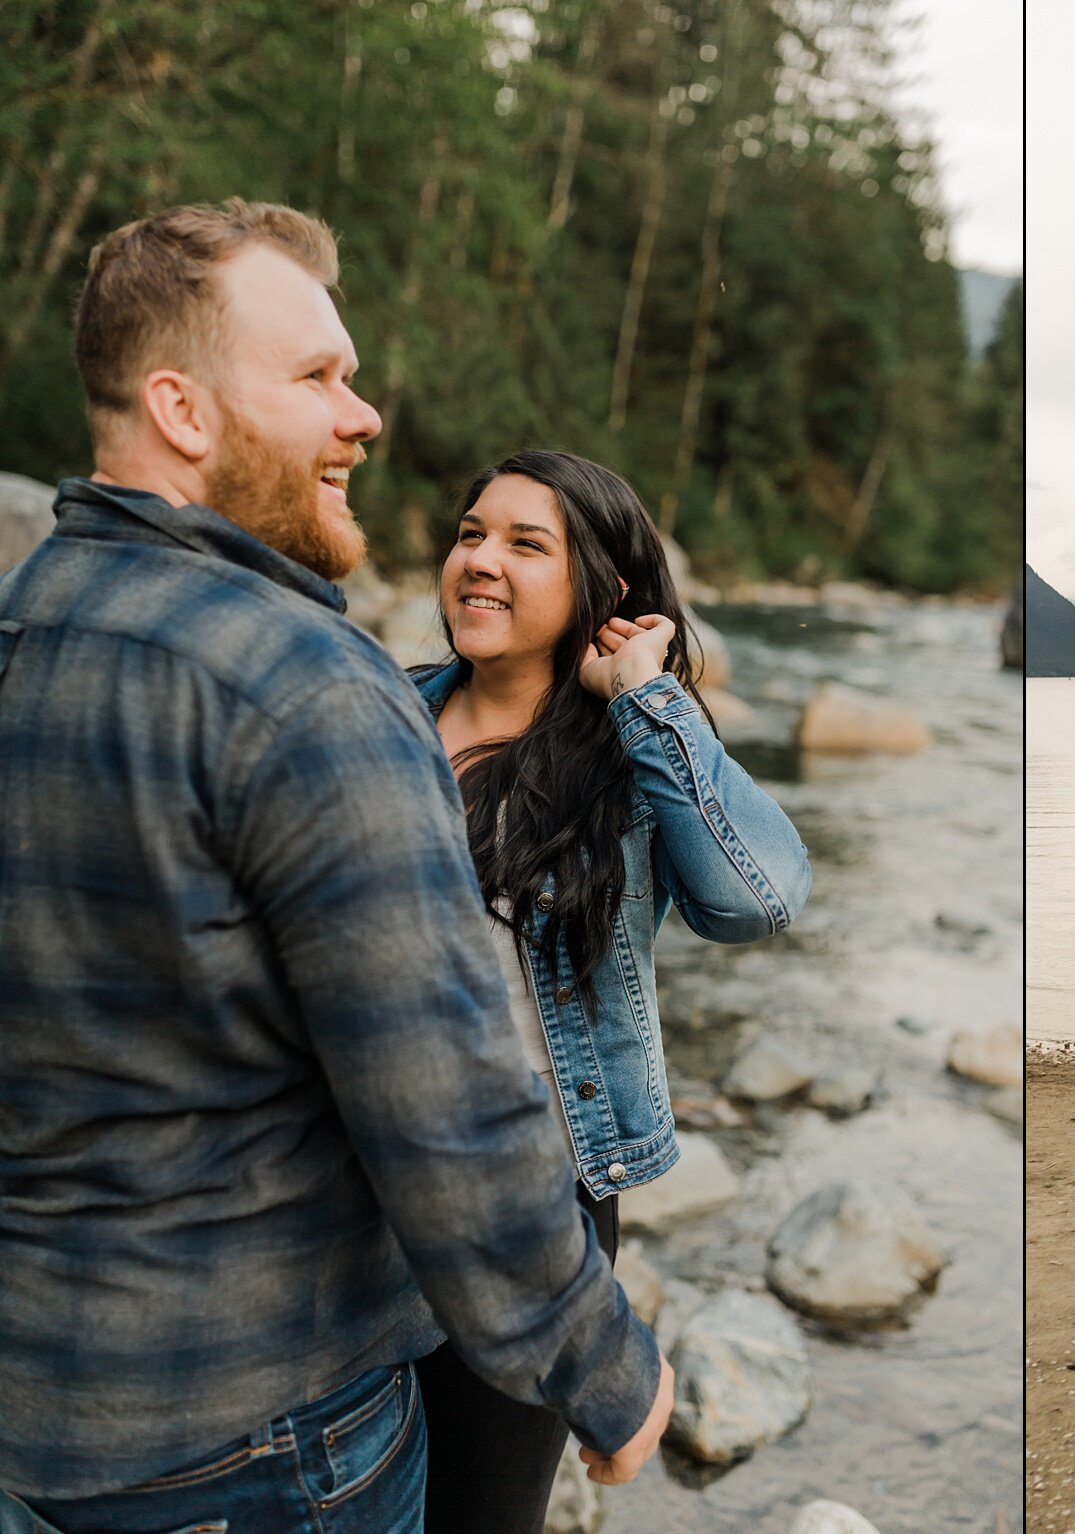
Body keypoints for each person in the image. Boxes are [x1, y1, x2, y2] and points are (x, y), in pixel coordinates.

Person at [0, 201, 670, 1534]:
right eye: (319, 377)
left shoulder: (24, 624)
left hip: (37, 1416)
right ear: (184, 409)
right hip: (262, 1437)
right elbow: (445, 1096)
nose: (362, 416)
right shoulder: (306, 684)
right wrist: (601, 1362)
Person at [409, 448, 811, 1533]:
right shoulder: (381, 717)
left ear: (604, 592)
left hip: (537, 1208)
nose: (480, 561)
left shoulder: (625, 765)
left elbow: (761, 899)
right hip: (355, 1190)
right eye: (470, 532)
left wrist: (646, 699)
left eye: (525, 544)